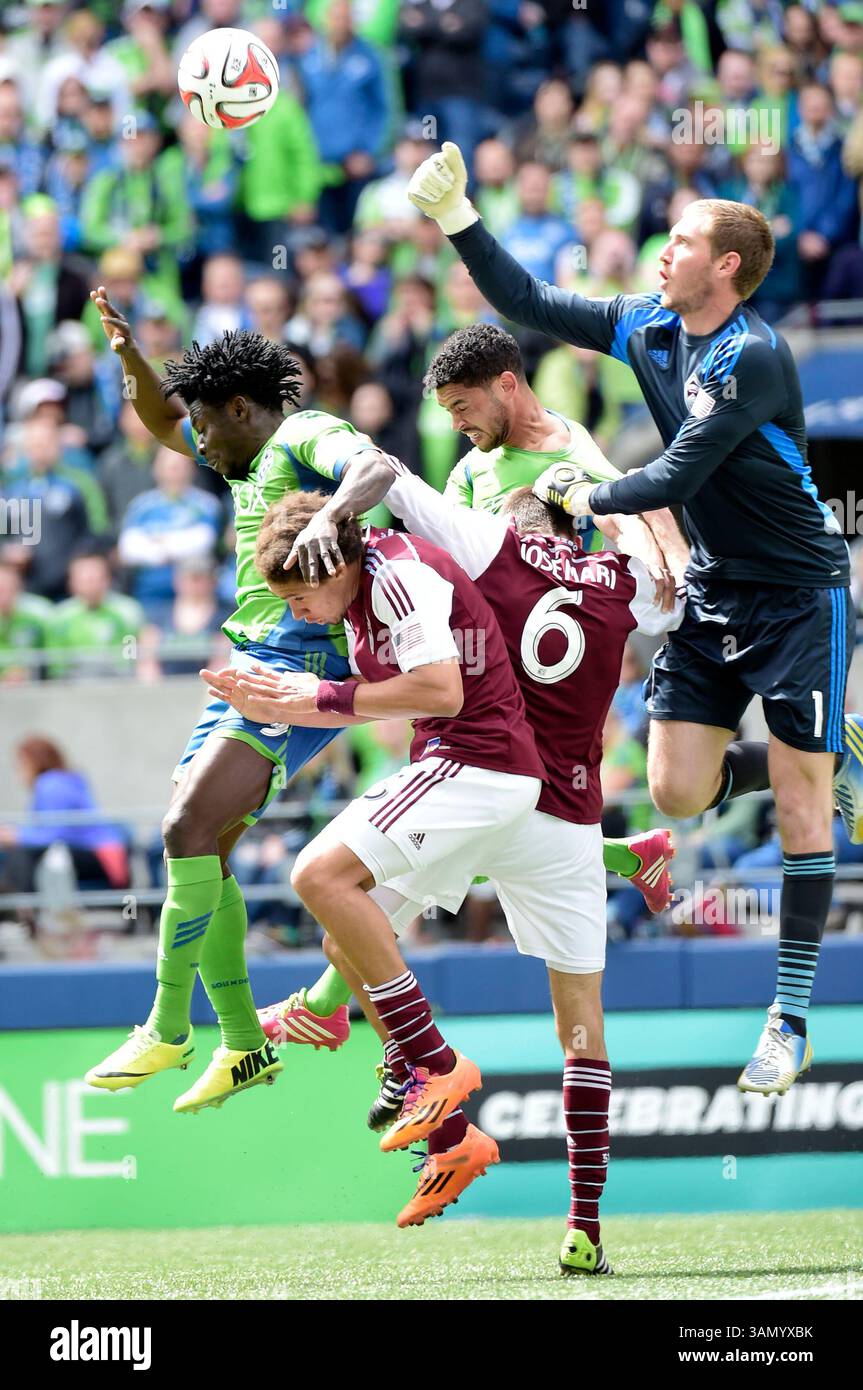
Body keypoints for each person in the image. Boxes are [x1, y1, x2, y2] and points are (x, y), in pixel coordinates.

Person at [406, 142, 861, 1096]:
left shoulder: (754, 358)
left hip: (797, 596)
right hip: (715, 591)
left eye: (682, 239)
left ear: (725, 265)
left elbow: (677, 475)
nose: (663, 249)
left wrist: (588, 493)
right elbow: (531, 304)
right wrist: (459, 222)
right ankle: (826, 748)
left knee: (797, 808)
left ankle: (787, 1020)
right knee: (675, 794)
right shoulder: (647, 326)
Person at [211, 456, 682, 1267]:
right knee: (579, 1030)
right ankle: (582, 1231)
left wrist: (331, 524)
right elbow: (668, 570)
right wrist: (606, 496)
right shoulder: (618, 586)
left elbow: (383, 473)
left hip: (480, 775)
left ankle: (422, 1069)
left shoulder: (480, 547)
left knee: (337, 911)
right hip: (562, 810)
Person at [81, 293, 405, 1115]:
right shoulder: (243, 457)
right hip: (252, 658)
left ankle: (167, 1024)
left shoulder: (300, 435)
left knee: (183, 828)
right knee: (206, 849)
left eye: (205, 425)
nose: (193, 441)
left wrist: (330, 516)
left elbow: (376, 469)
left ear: (238, 407)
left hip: (303, 661)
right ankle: (243, 1043)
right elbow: (159, 420)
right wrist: (127, 354)